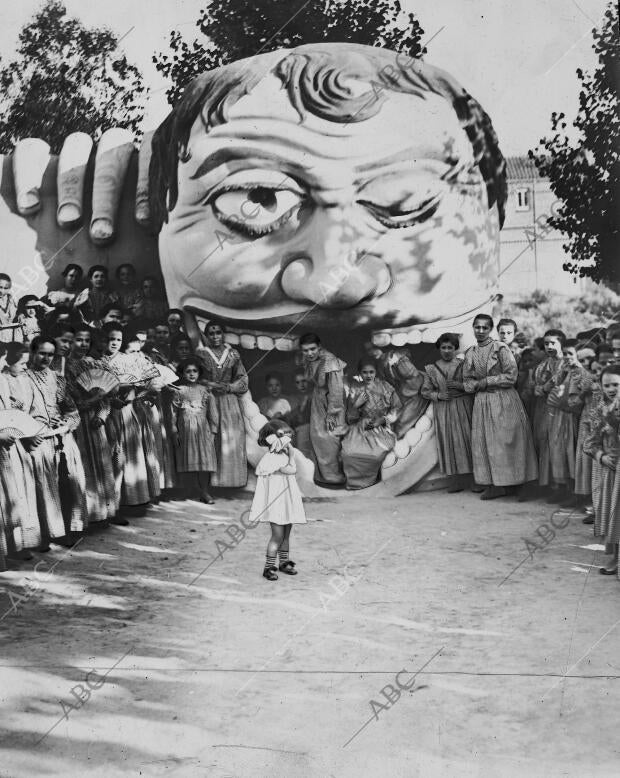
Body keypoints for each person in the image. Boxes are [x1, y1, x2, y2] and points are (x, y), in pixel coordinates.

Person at [463, 314, 538, 499]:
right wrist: (474, 385)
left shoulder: (501, 348)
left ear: (490, 330)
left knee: (510, 440)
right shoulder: (471, 352)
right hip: (482, 402)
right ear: (473, 328)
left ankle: (521, 484)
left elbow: (511, 376)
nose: (480, 331)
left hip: (504, 399)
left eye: (484, 328)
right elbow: (467, 381)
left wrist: (487, 381)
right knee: (487, 444)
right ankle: (496, 484)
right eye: (477, 327)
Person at [23, 336, 86, 547]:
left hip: (61, 438)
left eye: (50, 354)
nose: (46, 358)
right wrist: (30, 431)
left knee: (66, 484)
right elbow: (15, 413)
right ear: (32, 352)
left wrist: (66, 423)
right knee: (40, 487)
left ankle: (65, 530)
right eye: (41, 353)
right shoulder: (22, 378)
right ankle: (42, 535)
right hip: (35, 440)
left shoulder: (58, 379)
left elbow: (72, 410)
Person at [66, 326, 118, 525]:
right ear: (71, 341)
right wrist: (95, 399)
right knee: (84, 467)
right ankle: (88, 515)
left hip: (96, 421)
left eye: (87, 341)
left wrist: (102, 414)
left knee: (103, 463)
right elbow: (71, 400)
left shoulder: (92, 363)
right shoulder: (65, 368)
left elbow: (107, 393)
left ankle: (106, 512)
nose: (83, 345)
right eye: (79, 340)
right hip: (78, 421)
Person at [100, 323, 152, 519]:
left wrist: (130, 395)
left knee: (132, 456)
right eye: (111, 339)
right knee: (114, 457)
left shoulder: (127, 359)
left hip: (127, 410)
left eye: (118, 340)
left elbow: (137, 383)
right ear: (103, 339)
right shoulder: (98, 361)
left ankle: (134, 500)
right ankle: (114, 505)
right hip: (107, 411)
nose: (114, 343)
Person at [249, 419, 306, 581]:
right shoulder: (270, 459)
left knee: (286, 535)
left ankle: (284, 562)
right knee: (277, 536)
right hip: (276, 503)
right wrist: (290, 456)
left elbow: (292, 469)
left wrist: (291, 453)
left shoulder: (286, 455)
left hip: (287, 502)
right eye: (284, 435)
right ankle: (268, 567)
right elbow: (287, 470)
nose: (288, 439)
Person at [0, 343, 40, 558]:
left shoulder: (11, 382)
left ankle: (18, 544)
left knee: (15, 494)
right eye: (22, 363)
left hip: (11, 446)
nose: (25, 368)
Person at [197, 320, 248, 487]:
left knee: (231, 436)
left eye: (218, 332)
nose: (215, 336)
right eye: (211, 333)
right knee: (212, 438)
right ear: (206, 335)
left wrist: (228, 387)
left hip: (229, 401)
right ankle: (213, 481)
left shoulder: (233, 354)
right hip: (209, 399)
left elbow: (242, 378)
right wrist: (210, 385)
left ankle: (231, 480)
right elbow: (195, 376)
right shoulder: (201, 354)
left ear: (223, 334)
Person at [421, 333, 474, 492]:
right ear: (439, 348)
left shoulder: (463, 364)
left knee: (467, 440)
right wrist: (438, 395)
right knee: (448, 441)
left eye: (450, 347)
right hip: (443, 409)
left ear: (455, 348)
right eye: (443, 347)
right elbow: (425, 391)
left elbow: (473, 384)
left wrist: (461, 386)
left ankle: (474, 479)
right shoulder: (432, 368)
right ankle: (455, 480)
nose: (446, 350)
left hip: (463, 405)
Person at [341, 358, 400, 489]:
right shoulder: (355, 389)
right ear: (360, 373)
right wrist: (356, 405)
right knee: (348, 452)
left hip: (380, 428)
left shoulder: (386, 387)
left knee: (375, 454)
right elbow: (350, 418)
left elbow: (397, 409)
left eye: (371, 372)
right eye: (365, 372)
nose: (368, 375)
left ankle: (369, 483)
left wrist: (383, 419)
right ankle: (355, 484)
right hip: (359, 428)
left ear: (376, 372)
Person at [584, 366, 620, 575]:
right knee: (614, 515)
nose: (611, 389)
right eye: (607, 385)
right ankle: (616, 558)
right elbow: (589, 443)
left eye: (616, 384)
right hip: (612, 470)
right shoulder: (599, 408)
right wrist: (602, 457)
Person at [300, 333, 346, 487]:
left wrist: (332, 413)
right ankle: (323, 477)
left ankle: (335, 477)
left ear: (319, 347)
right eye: (305, 350)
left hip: (332, 402)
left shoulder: (330, 361)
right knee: (317, 437)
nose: (309, 353)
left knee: (330, 438)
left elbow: (337, 389)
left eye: (312, 349)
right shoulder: (310, 360)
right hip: (319, 400)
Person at [171, 358, 218, 503]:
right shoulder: (179, 391)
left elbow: (213, 413)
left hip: (202, 431)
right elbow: (173, 412)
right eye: (188, 371)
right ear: (183, 373)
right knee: (187, 458)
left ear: (199, 373)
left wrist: (213, 431)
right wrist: (174, 429)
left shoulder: (205, 391)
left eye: (194, 371)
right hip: (185, 431)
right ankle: (187, 490)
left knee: (203, 461)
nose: (192, 374)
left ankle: (204, 492)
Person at [366, 343, 428, 438]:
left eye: (372, 348)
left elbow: (416, 380)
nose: (371, 352)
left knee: (400, 425)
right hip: (404, 395)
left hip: (418, 394)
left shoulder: (397, 358)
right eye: (368, 351)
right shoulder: (380, 365)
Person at [531, 329, 566, 498]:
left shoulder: (566, 363)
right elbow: (535, 384)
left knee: (559, 445)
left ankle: (561, 487)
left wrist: (547, 388)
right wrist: (538, 388)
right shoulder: (542, 365)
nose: (549, 346)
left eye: (553, 343)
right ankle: (547, 484)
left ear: (561, 344)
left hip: (562, 411)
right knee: (544, 442)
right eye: (546, 343)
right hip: (543, 409)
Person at [285, 368, 314, 463]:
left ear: (309, 380)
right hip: (296, 430)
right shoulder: (292, 399)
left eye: (304, 381)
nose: (301, 385)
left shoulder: (314, 396)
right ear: (294, 384)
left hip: (312, 428)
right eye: (298, 382)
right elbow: (290, 418)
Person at [0, 273, 20, 343]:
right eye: (0, 287)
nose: (2, 291)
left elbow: (20, 313)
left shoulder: (13, 300)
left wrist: (21, 315)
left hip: (13, 336)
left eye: (5, 288)